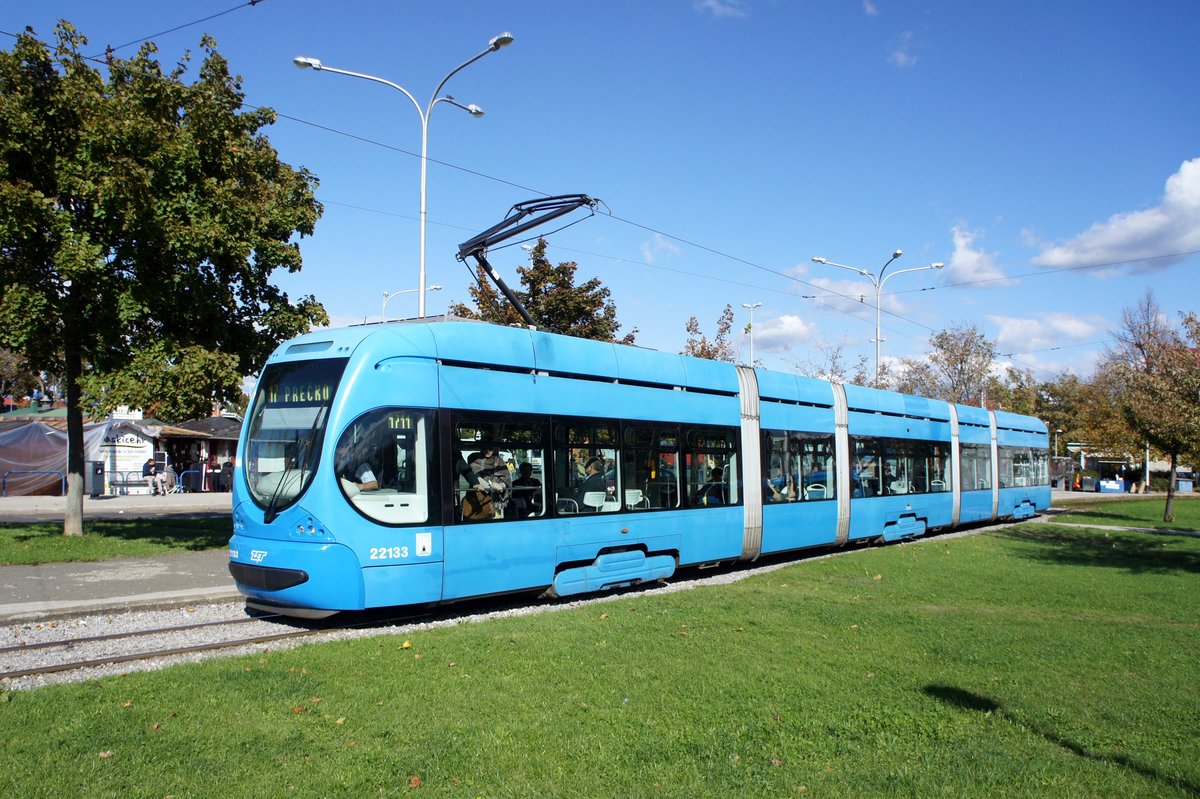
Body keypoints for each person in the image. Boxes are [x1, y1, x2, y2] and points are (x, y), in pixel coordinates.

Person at [469, 448, 511, 517]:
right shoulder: (474, 459)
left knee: (497, 523)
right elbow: (474, 477)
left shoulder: (499, 461)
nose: (488, 450)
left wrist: (501, 486)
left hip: (497, 501)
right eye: (485, 447)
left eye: (490, 448)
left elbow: (507, 479)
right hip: (479, 500)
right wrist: (491, 486)